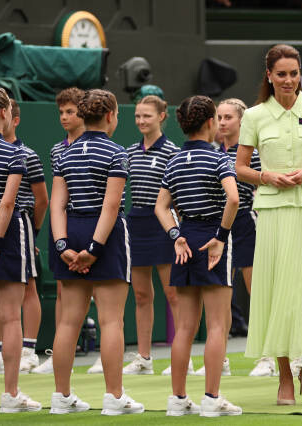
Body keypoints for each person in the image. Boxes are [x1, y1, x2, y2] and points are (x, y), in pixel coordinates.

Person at [237, 43, 302, 405]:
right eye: (281, 74)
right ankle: (284, 376)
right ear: (269, 75)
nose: (288, 80)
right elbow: (240, 168)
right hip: (272, 211)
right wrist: (266, 177)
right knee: (276, 292)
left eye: (294, 74)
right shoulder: (254, 116)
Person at [50, 89, 144, 415]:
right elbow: (111, 206)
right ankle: (114, 397)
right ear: (109, 116)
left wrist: (62, 245)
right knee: (111, 321)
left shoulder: (65, 154)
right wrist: (94, 249)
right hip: (105, 236)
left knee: (67, 322)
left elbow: (57, 205)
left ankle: (61, 397)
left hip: (70, 231)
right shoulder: (117, 152)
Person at [155, 95, 241, 417]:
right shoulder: (219, 159)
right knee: (217, 325)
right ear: (209, 122)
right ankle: (211, 399)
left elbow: (160, 207)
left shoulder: (174, 161)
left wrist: (176, 236)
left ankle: (178, 400)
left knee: (185, 327)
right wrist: (220, 238)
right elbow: (233, 199)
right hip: (212, 239)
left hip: (186, 239)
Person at [0, 86, 41, 412]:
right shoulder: (15, 153)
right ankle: (11, 395)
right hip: (7, 235)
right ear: (4, 113)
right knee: (11, 317)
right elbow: (7, 203)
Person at [0, 99, 48, 376]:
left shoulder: (27, 155)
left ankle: (28, 352)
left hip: (19, 228)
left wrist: (33, 233)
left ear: (14, 119)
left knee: (27, 286)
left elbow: (42, 200)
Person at [122, 95, 187, 376]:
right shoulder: (129, 152)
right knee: (140, 295)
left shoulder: (173, 152)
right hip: (136, 223)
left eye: (146, 116)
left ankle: (182, 358)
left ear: (161, 117)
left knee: (173, 294)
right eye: (138, 116)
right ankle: (144, 359)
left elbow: (178, 196)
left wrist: (180, 230)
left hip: (164, 224)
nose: (141, 121)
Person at [217, 98, 273, 377]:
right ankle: (219, 358)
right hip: (221, 227)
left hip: (248, 224)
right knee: (221, 295)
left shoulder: (254, 153)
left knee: (257, 293)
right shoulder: (214, 153)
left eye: (228, 117)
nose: (222, 122)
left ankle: (269, 357)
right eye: (219, 117)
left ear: (242, 121)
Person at [33, 87, 86, 375]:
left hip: (90, 228)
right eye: (61, 112)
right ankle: (60, 355)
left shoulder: (98, 146)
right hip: (62, 229)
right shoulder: (57, 150)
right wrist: (61, 239)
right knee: (63, 291)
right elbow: (57, 200)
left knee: (101, 294)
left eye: (70, 112)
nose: (64, 117)